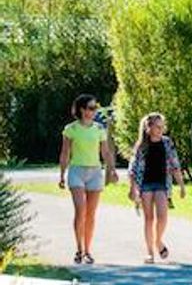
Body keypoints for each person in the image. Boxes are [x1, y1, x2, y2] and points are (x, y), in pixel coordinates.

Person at [59, 93, 118, 265]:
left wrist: (112, 169)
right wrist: (62, 174)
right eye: (91, 108)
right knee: (80, 210)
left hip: (95, 172)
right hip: (76, 171)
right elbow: (65, 153)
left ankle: (88, 250)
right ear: (82, 109)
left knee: (91, 214)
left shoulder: (99, 129)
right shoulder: (71, 129)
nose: (93, 111)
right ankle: (79, 249)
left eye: (95, 108)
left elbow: (105, 152)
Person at [128, 112, 186, 264]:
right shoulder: (141, 146)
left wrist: (181, 185)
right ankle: (149, 253)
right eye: (158, 126)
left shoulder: (167, 143)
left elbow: (175, 164)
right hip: (145, 184)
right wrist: (132, 188)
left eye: (162, 126)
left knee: (162, 216)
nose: (161, 129)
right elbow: (132, 169)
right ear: (149, 128)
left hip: (162, 184)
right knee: (149, 219)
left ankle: (158, 241)